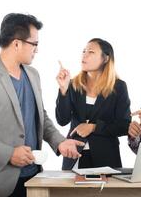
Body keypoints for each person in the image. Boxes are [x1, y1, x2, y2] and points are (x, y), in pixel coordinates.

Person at [0, 13, 84, 197]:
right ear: (17, 43)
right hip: (0, 183)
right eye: (35, 44)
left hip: (34, 177)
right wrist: (9, 154)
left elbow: (41, 116)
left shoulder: (33, 74)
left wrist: (60, 142)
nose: (37, 50)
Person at [56, 38, 131, 170]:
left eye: (91, 52)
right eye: (84, 51)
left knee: (103, 191)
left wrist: (93, 127)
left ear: (105, 59)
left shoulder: (118, 87)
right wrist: (63, 90)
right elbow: (62, 120)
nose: (84, 55)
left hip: (106, 156)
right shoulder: (73, 84)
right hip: (74, 155)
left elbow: (124, 126)